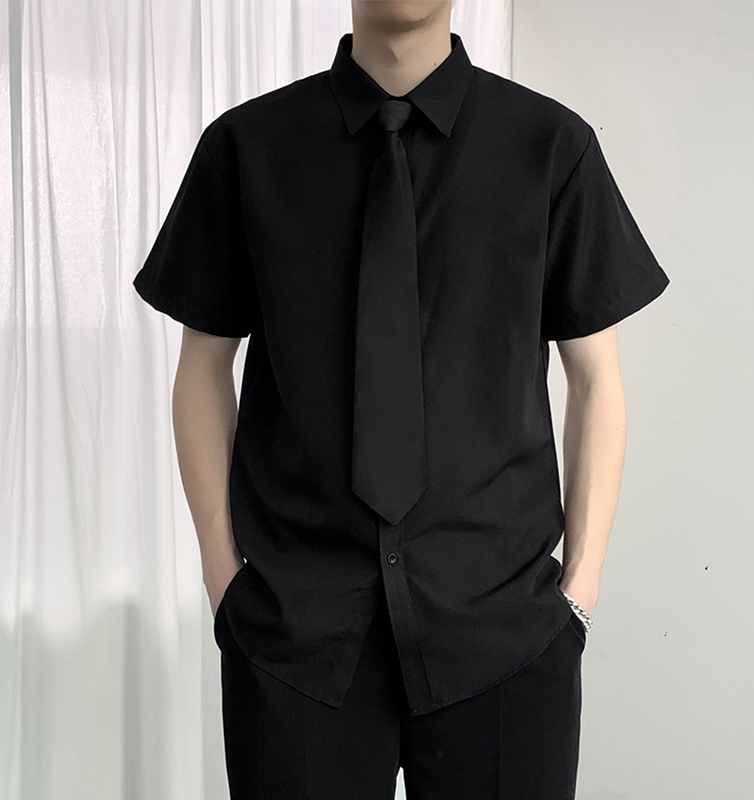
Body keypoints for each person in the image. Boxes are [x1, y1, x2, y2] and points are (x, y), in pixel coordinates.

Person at [133, 1, 670, 797]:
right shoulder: (247, 148)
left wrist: (578, 594)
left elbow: (595, 379)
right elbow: (203, 366)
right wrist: (225, 578)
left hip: (505, 630)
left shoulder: (550, 147)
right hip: (294, 631)